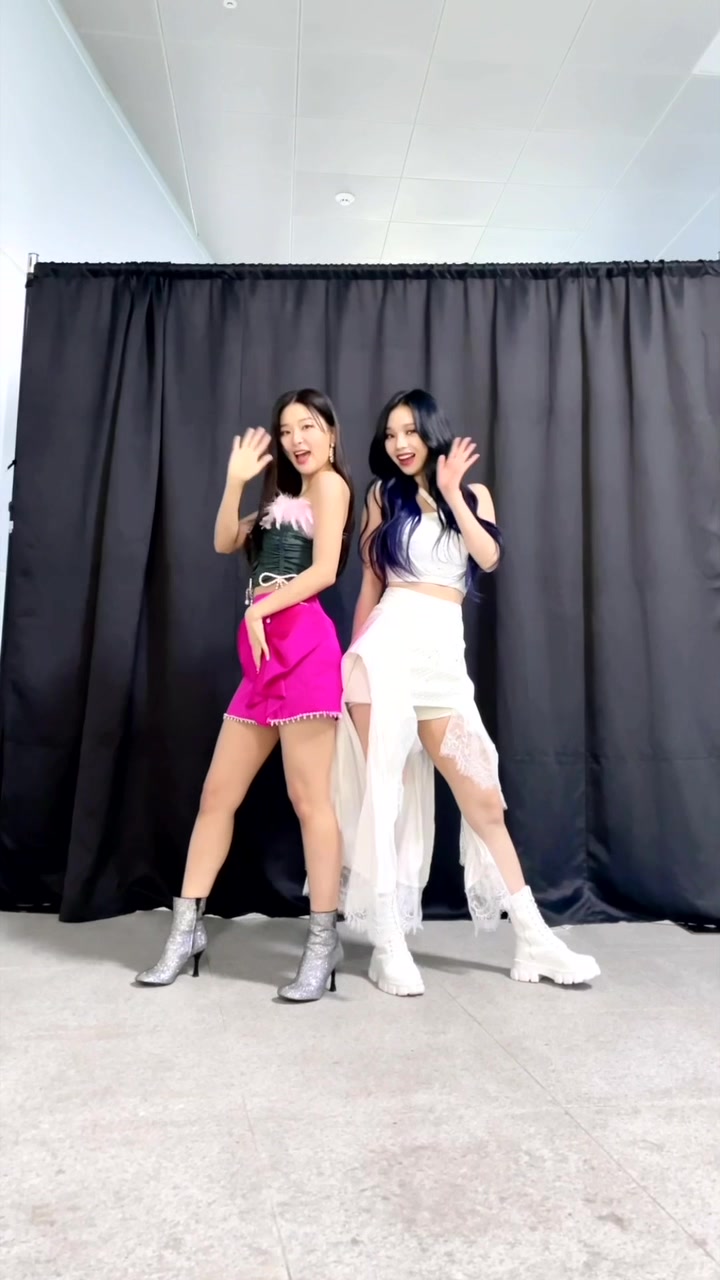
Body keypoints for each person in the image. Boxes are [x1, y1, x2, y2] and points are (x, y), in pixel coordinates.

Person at [334, 389, 600, 996]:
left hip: (443, 667)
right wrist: (352, 662)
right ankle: (388, 945)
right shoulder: (381, 497)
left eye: (410, 431)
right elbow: (371, 584)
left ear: (432, 432)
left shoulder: (472, 494)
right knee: (384, 798)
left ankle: (533, 939)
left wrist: (452, 492)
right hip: (385, 653)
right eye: (390, 434)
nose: (399, 444)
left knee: (485, 802)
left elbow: (490, 556)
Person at [136, 389, 353, 1001]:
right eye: (286, 430)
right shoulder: (282, 501)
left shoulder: (330, 485)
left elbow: (325, 571)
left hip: (303, 647)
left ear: (330, 433)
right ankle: (186, 932)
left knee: (310, 801)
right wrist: (235, 483)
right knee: (216, 796)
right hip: (263, 658)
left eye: (307, 426)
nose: (296, 439)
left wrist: (260, 610)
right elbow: (224, 540)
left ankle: (322, 943)